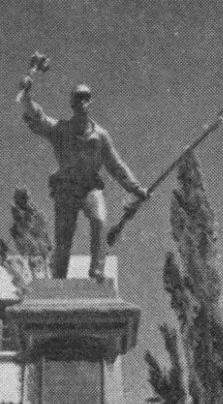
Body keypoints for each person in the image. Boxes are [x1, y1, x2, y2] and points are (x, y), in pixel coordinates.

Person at [20, 80, 148, 280]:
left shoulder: (101, 135)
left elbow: (116, 165)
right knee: (64, 237)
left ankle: (97, 271)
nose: (82, 102)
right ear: (71, 102)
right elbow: (39, 117)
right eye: (78, 98)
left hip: (90, 188)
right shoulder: (60, 129)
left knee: (100, 221)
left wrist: (135, 187)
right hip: (66, 189)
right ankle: (59, 277)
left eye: (86, 98)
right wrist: (26, 97)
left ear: (91, 102)